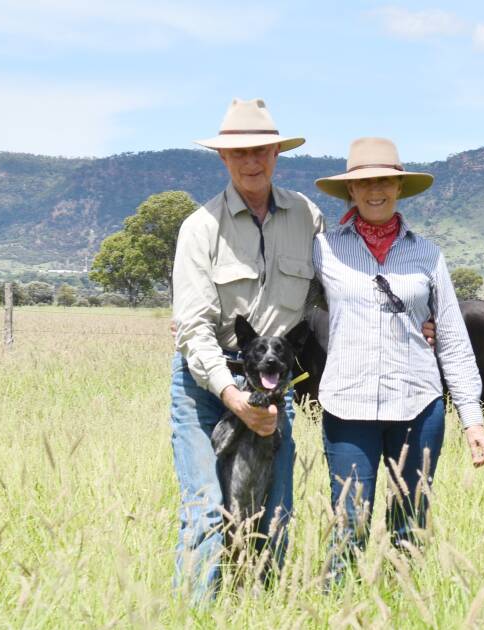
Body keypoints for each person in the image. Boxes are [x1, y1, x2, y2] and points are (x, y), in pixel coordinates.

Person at [311, 137, 484, 577]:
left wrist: (473, 417)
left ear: (399, 188)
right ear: (350, 191)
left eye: (386, 181)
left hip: (418, 403)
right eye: (365, 182)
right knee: (349, 522)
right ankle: (340, 613)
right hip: (347, 404)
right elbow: (283, 299)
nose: (376, 190)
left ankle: (405, 611)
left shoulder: (427, 255)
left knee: (409, 524)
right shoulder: (324, 250)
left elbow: (450, 336)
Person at [169, 98, 321, 603]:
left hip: (274, 386)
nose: (251, 162)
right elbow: (192, 328)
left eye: (260, 150)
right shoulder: (200, 228)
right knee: (208, 512)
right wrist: (235, 398)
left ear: (277, 152)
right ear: (223, 160)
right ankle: (195, 613)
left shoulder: (306, 215)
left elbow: (337, 291)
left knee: (272, 513)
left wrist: (411, 316)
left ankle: (263, 609)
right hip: (207, 385)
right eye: (239, 154)